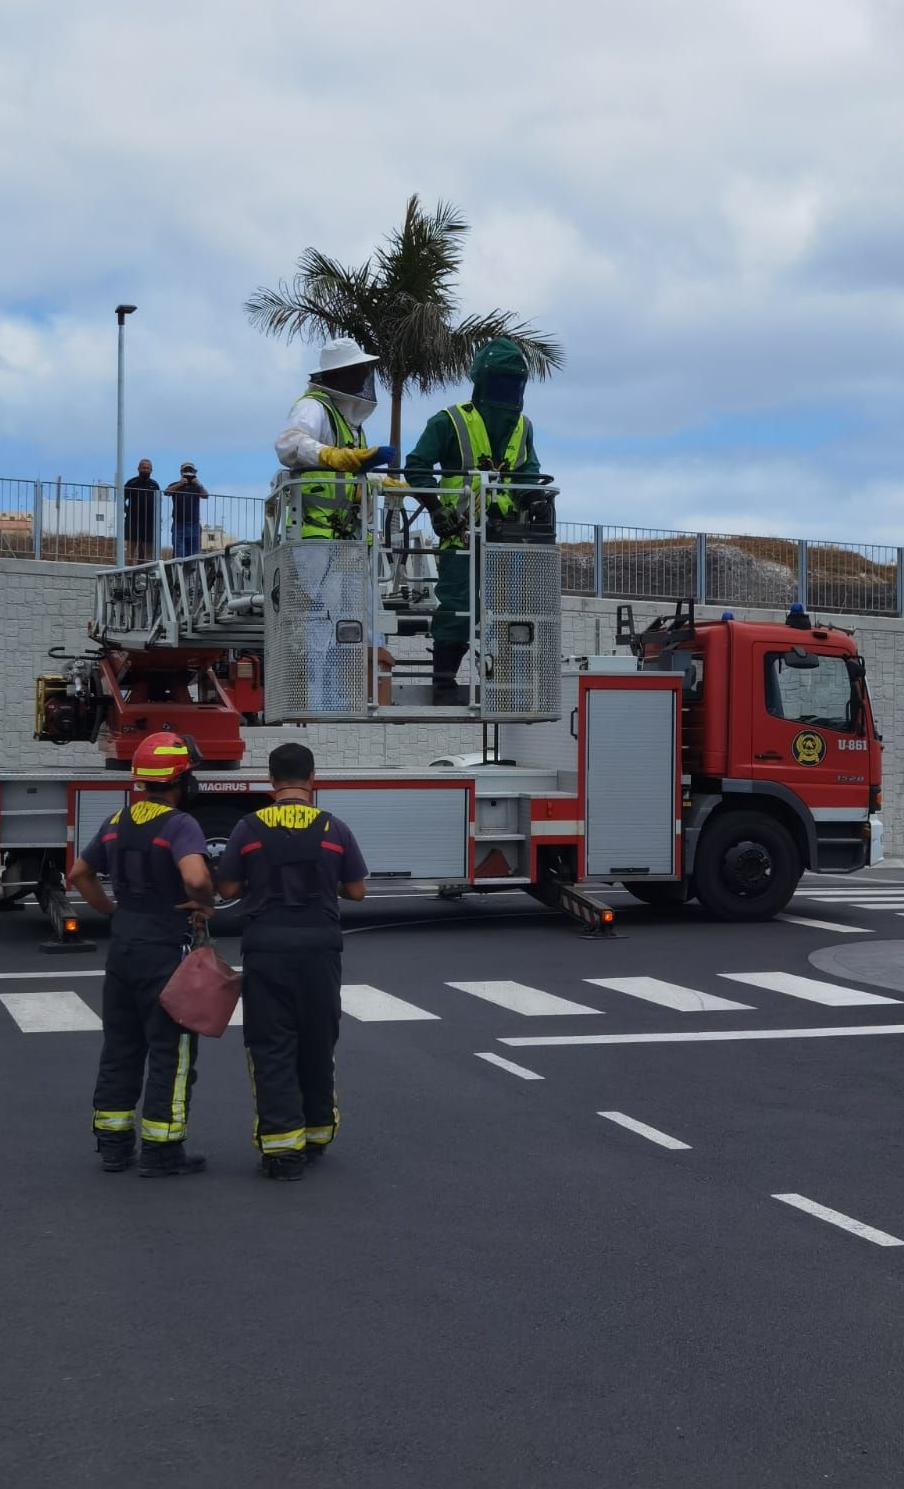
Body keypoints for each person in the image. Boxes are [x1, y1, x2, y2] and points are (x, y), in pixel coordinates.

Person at [216, 742, 367, 1181]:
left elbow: (226, 890)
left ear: (271, 781)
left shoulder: (248, 827)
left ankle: (283, 1150)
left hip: (267, 950)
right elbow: (356, 891)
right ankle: (317, 1133)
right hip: (320, 950)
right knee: (318, 1040)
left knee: (271, 1044)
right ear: (312, 778)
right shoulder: (333, 828)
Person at [69, 734, 215, 1177]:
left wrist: (113, 911)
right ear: (181, 780)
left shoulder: (117, 820)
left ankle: (113, 1145)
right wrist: (205, 902)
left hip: (125, 945)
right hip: (163, 949)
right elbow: (193, 877)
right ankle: (162, 1150)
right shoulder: (179, 824)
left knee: (121, 1046)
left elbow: (79, 873)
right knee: (170, 1051)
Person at [404, 337, 544, 703]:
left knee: (512, 608)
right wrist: (437, 510)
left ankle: (511, 681)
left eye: (512, 382)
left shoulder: (523, 427)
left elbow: (529, 472)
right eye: (500, 381)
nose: (506, 390)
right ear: (482, 381)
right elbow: (416, 465)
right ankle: (444, 683)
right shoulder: (449, 421)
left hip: (508, 536)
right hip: (461, 533)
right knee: (457, 604)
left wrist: (536, 500)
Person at [271, 337, 398, 708]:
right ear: (340, 374)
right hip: (316, 534)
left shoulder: (348, 420)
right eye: (358, 370)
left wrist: (381, 484)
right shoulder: (314, 408)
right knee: (319, 620)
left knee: (355, 621)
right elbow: (290, 444)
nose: (363, 376)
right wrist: (330, 454)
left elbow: (346, 480)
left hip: (348, 538)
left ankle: (350, 698)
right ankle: (316, 700)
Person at [164, 461, 209, 558]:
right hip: (179, 525)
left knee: (194, 555)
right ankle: (178, 573)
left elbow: (206, 495)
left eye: (191, 470)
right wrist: (180, 484)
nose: (188, 472)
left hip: (194, 525)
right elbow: (166, 492)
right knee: (180, 554)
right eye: (186, 470)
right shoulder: (175, 484)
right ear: (181, 472)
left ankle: (191, 573)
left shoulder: (197, 487)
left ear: (195, 472)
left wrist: (198, 484)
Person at [122, 459, 160, 564]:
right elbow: (121, 498)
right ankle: (127, 572)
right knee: (130, 549)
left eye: (147, 468)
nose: (145, 470)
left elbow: (158, 502)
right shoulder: (131, 483)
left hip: (149, 522)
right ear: (138, 469)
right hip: (133, 521)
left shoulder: (155, 485)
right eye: (143, 468)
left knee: (148, 550)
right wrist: (127, 511)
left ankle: (146, 572)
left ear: (151, 470)